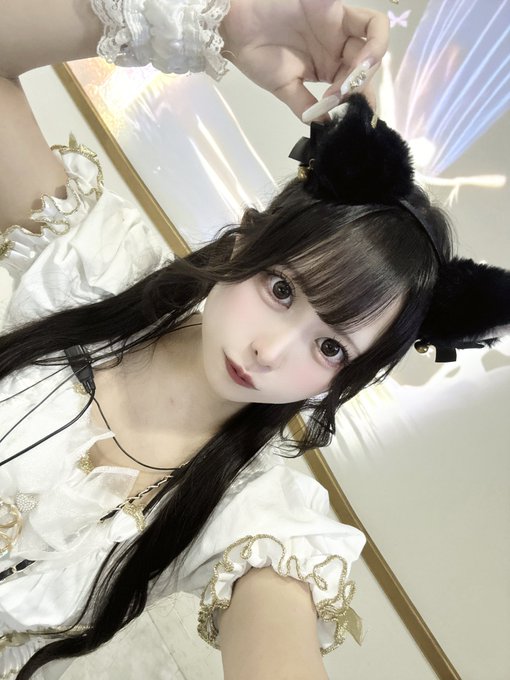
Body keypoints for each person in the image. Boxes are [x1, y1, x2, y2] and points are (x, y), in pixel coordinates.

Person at [1, 2, 509, 679]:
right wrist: (225, 24)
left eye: (330, 348)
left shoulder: (250, 514)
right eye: (282, 290)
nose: (270, 351)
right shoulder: (94, 265)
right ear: (246, 241)